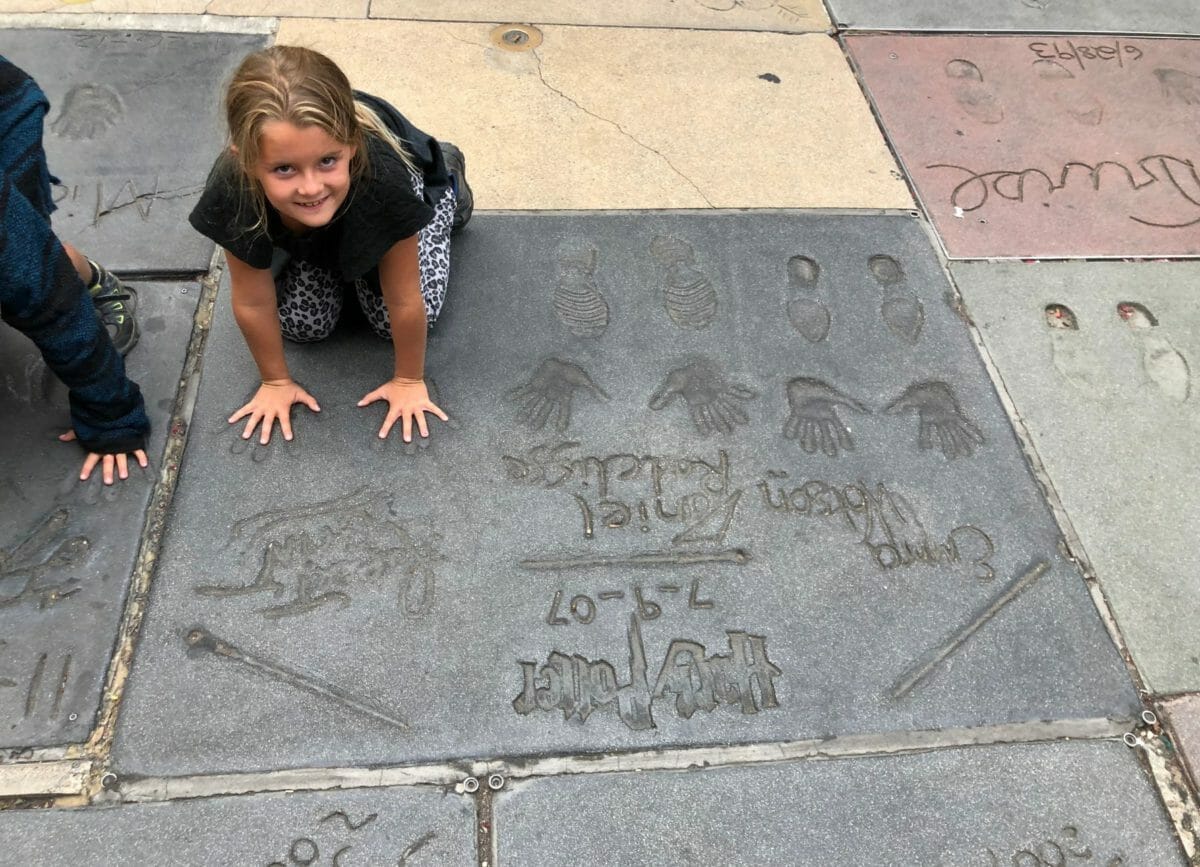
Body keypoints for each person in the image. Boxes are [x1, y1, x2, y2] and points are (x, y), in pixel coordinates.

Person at [188, 46, 473, 446]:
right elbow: (253, 301)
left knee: (390, 321)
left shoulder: (382, 182)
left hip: (391, 200)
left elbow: (405, 298)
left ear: (352, 145)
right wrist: (274, 381)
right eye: (284, 168)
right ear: (247, 161)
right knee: (303, 326)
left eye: (326, 161)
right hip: (319, 232)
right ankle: (343, 250)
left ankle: (445, 179)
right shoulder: (233, 186)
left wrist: (409, 379)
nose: (310, 186)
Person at [0, 55, 148, 485]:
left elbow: (52, 304)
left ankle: (97, 280)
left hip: (6, 111)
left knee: (33, 257)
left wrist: (112, 418)